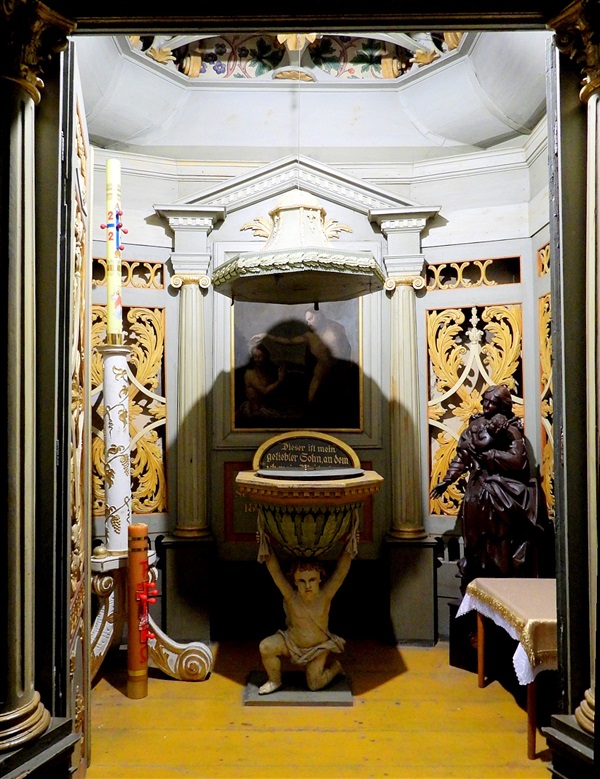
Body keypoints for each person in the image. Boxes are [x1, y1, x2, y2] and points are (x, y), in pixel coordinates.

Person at [431, 384, 554, 591]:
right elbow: (462, 457)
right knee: (473, 539)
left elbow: (519, 462)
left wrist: (490, 456)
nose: (487, 406)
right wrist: (448, 479)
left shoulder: (510, 429)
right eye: (485, 401)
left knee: (498, 539)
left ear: (502, 406)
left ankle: (500, 584)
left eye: (492, 403)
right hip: (476, 491)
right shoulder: (474, 426)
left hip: (500, 492)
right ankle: (477, 578)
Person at [256, 518, 358, 694]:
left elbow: (341, 572)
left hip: (317, 649)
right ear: (295, 581)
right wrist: (264, 543)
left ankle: (335, 668)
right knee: (265, 647)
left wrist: (351, 544)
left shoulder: (325, 595)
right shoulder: (291, 596)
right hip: (292, 644)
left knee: (314, 685)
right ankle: (274, 680)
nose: (308, 585)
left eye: (312, 579)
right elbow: (275, 571)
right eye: (302, 581)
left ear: (320, 579)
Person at [237, 342, 286, 421]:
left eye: (260, 356)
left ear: (265, 357)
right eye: (255, 357)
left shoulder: (265, 372)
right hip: (254, 411)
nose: (258, 360)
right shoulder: (250, 374)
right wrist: (279, 381)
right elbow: (265, 391)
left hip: (264, 408)